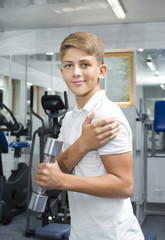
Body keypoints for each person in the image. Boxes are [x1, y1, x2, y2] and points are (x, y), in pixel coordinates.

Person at [36, 32, 144, 240]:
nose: (76, 72)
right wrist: (83, 145)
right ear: (62, 72)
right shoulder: (70, 118)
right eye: (69, 65)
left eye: (84, 64)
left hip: (113, 235)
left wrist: (63, 181)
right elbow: (60, 166)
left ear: (101, 71)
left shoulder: (107, 116)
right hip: (81, 232)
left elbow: (124, 185)